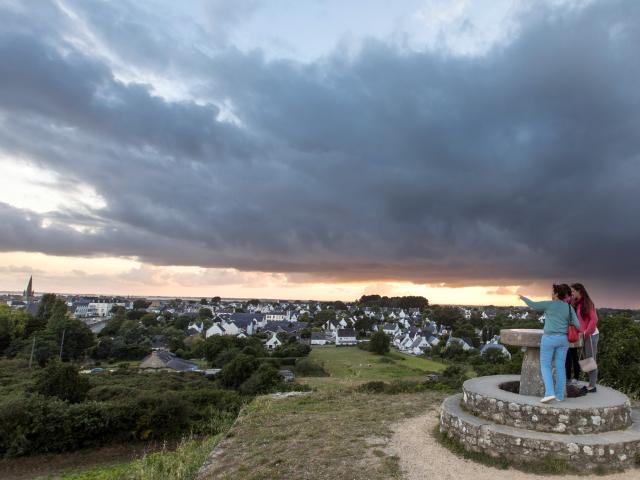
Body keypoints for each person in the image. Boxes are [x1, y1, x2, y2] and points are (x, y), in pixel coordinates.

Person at [519, 284, 581, 403]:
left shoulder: (549, 304)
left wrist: (523, 298)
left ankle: (549, 393)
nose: (551, 294)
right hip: (563, 340)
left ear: (557, 294)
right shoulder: (569, 308)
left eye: (553, 292)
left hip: (549, 339)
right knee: (560, 367)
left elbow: (533, 305)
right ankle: (560, 396)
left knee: (545, 365)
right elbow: (578, 326)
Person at [571, 283, 599, 393]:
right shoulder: (578, 303)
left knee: (590, 360)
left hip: (591, 335)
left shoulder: (588, 303)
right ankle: (590, 384)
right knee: (585, 360)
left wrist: (586, 333)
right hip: (583, 336)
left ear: (580, 291)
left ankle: (592, 386)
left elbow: (594, 319)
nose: (572, 293)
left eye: (573, 291)